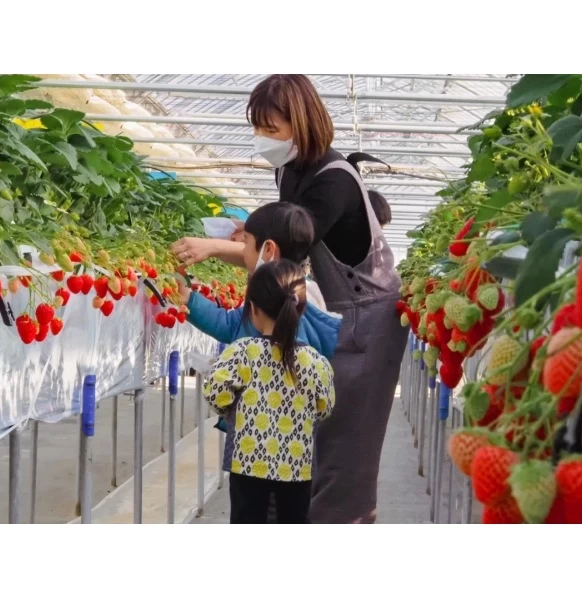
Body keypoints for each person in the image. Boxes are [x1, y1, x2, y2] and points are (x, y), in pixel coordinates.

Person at [173, 74, 409, 524]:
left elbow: (285, 251)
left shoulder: (334, 181)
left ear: (301, 122)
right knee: (310, 441)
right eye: (258, 128)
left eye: (272, 128)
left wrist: (216, 248)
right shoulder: (289, 169)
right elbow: (279, 243)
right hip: (327, 313)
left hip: (367, 319)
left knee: (346, 455)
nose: (263, 139)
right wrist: (250, 232)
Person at [174, 201, 341, 482]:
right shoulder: (303, 294)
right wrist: (188, 299)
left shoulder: (276, 301)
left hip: (248, 449)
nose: (243, 254)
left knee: (251, 512)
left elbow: (221, 386)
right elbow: (232, 325)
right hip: (296, 454)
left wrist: (233, 401)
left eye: (247, 244)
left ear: (268, 250)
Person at [202, 260, 335, 523]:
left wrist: (233, 410)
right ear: (302, 309)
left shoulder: (242, 352)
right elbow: (325, 407)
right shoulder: (315, 361)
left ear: (252, 309)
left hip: (248, 465)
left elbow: (214, 392)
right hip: (297, 466)